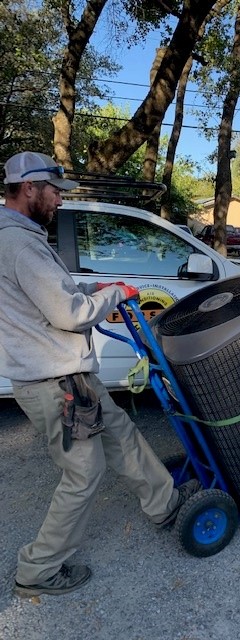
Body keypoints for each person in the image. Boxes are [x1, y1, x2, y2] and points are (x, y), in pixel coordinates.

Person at [0, 151, 200, 597]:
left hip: (70, 377)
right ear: (29, 188)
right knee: (83, 474)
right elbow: (69, 314)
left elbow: (56, 295)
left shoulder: (20, 237)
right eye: (54, 192)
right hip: (56, 383)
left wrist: (96, 289)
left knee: (123, 436)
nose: (58, 201)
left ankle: (165, 505)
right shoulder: (19, 243)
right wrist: (111, 295)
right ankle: (37, 570)